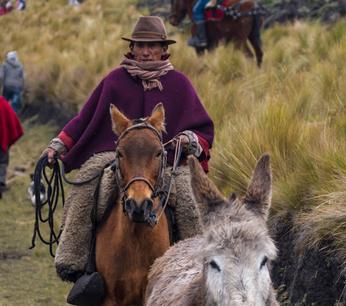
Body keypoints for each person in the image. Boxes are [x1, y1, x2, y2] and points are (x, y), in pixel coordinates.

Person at [42, 16, 214, 281]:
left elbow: (202, 129)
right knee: (87, 184)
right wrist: (59, 144)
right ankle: (75, 262)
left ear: (163, 49)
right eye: (140, 45)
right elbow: (86, 118)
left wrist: (190, 139)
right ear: (131, 48)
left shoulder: (179, 83)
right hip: (116, 154)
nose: (146, 51)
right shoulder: (114, 80)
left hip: (164, 159)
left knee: (187, 197)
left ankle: (195, 274)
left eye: (152, 45)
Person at [0, 96, 23, 199]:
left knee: (2, 161)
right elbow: (12, 118)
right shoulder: (2, 101)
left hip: (2, 139)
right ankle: (1, 183)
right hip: (2, 140)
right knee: (2, 162)